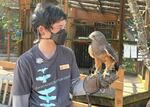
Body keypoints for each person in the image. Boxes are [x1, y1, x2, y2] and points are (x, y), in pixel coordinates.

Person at [12, 2, 118, 107]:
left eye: (64, 27)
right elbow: (19, 103)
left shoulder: (68, 54)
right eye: (59, 28)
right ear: (42, 30)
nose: (64, 32)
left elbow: (75, 86)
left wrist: (97, 82)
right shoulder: (25, 62)